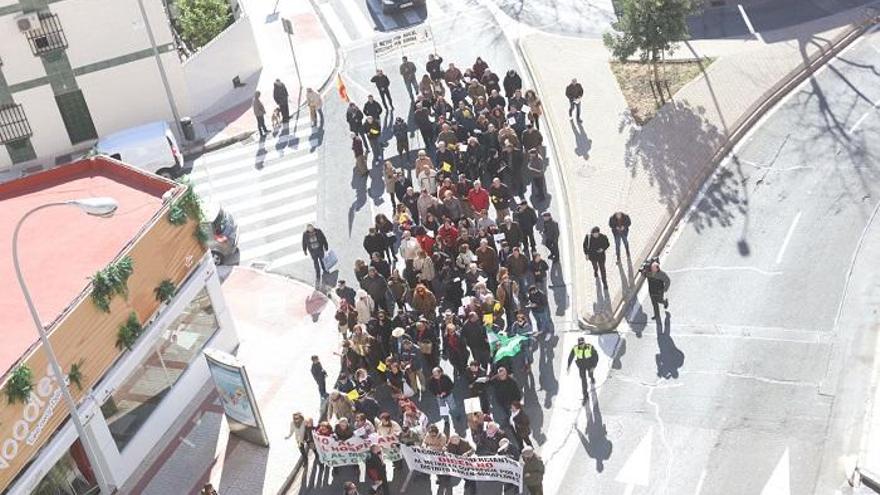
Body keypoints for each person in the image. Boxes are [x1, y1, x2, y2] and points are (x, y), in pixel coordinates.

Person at [567, 336, 598, 402]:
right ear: (578, 344)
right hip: (581, 366)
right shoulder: (575, 348)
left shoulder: (590, 347)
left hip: (590, 364)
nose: (581, 345)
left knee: (590, 375)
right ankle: (585, 396)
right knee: (583, 380)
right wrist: (568, 366)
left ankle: (592, 378)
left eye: (582, 343)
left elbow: (596, 356)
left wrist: (594, 366)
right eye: (580, 344)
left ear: (584, 342)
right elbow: (571, 357)